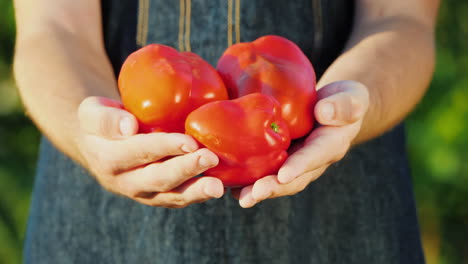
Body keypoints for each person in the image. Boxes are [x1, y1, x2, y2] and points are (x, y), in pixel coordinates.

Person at [14, 0, 439, 263]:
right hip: (101, 223)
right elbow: (52, 27)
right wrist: (81, 129)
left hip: (343, 212)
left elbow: (402, 19)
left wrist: (355, 103)